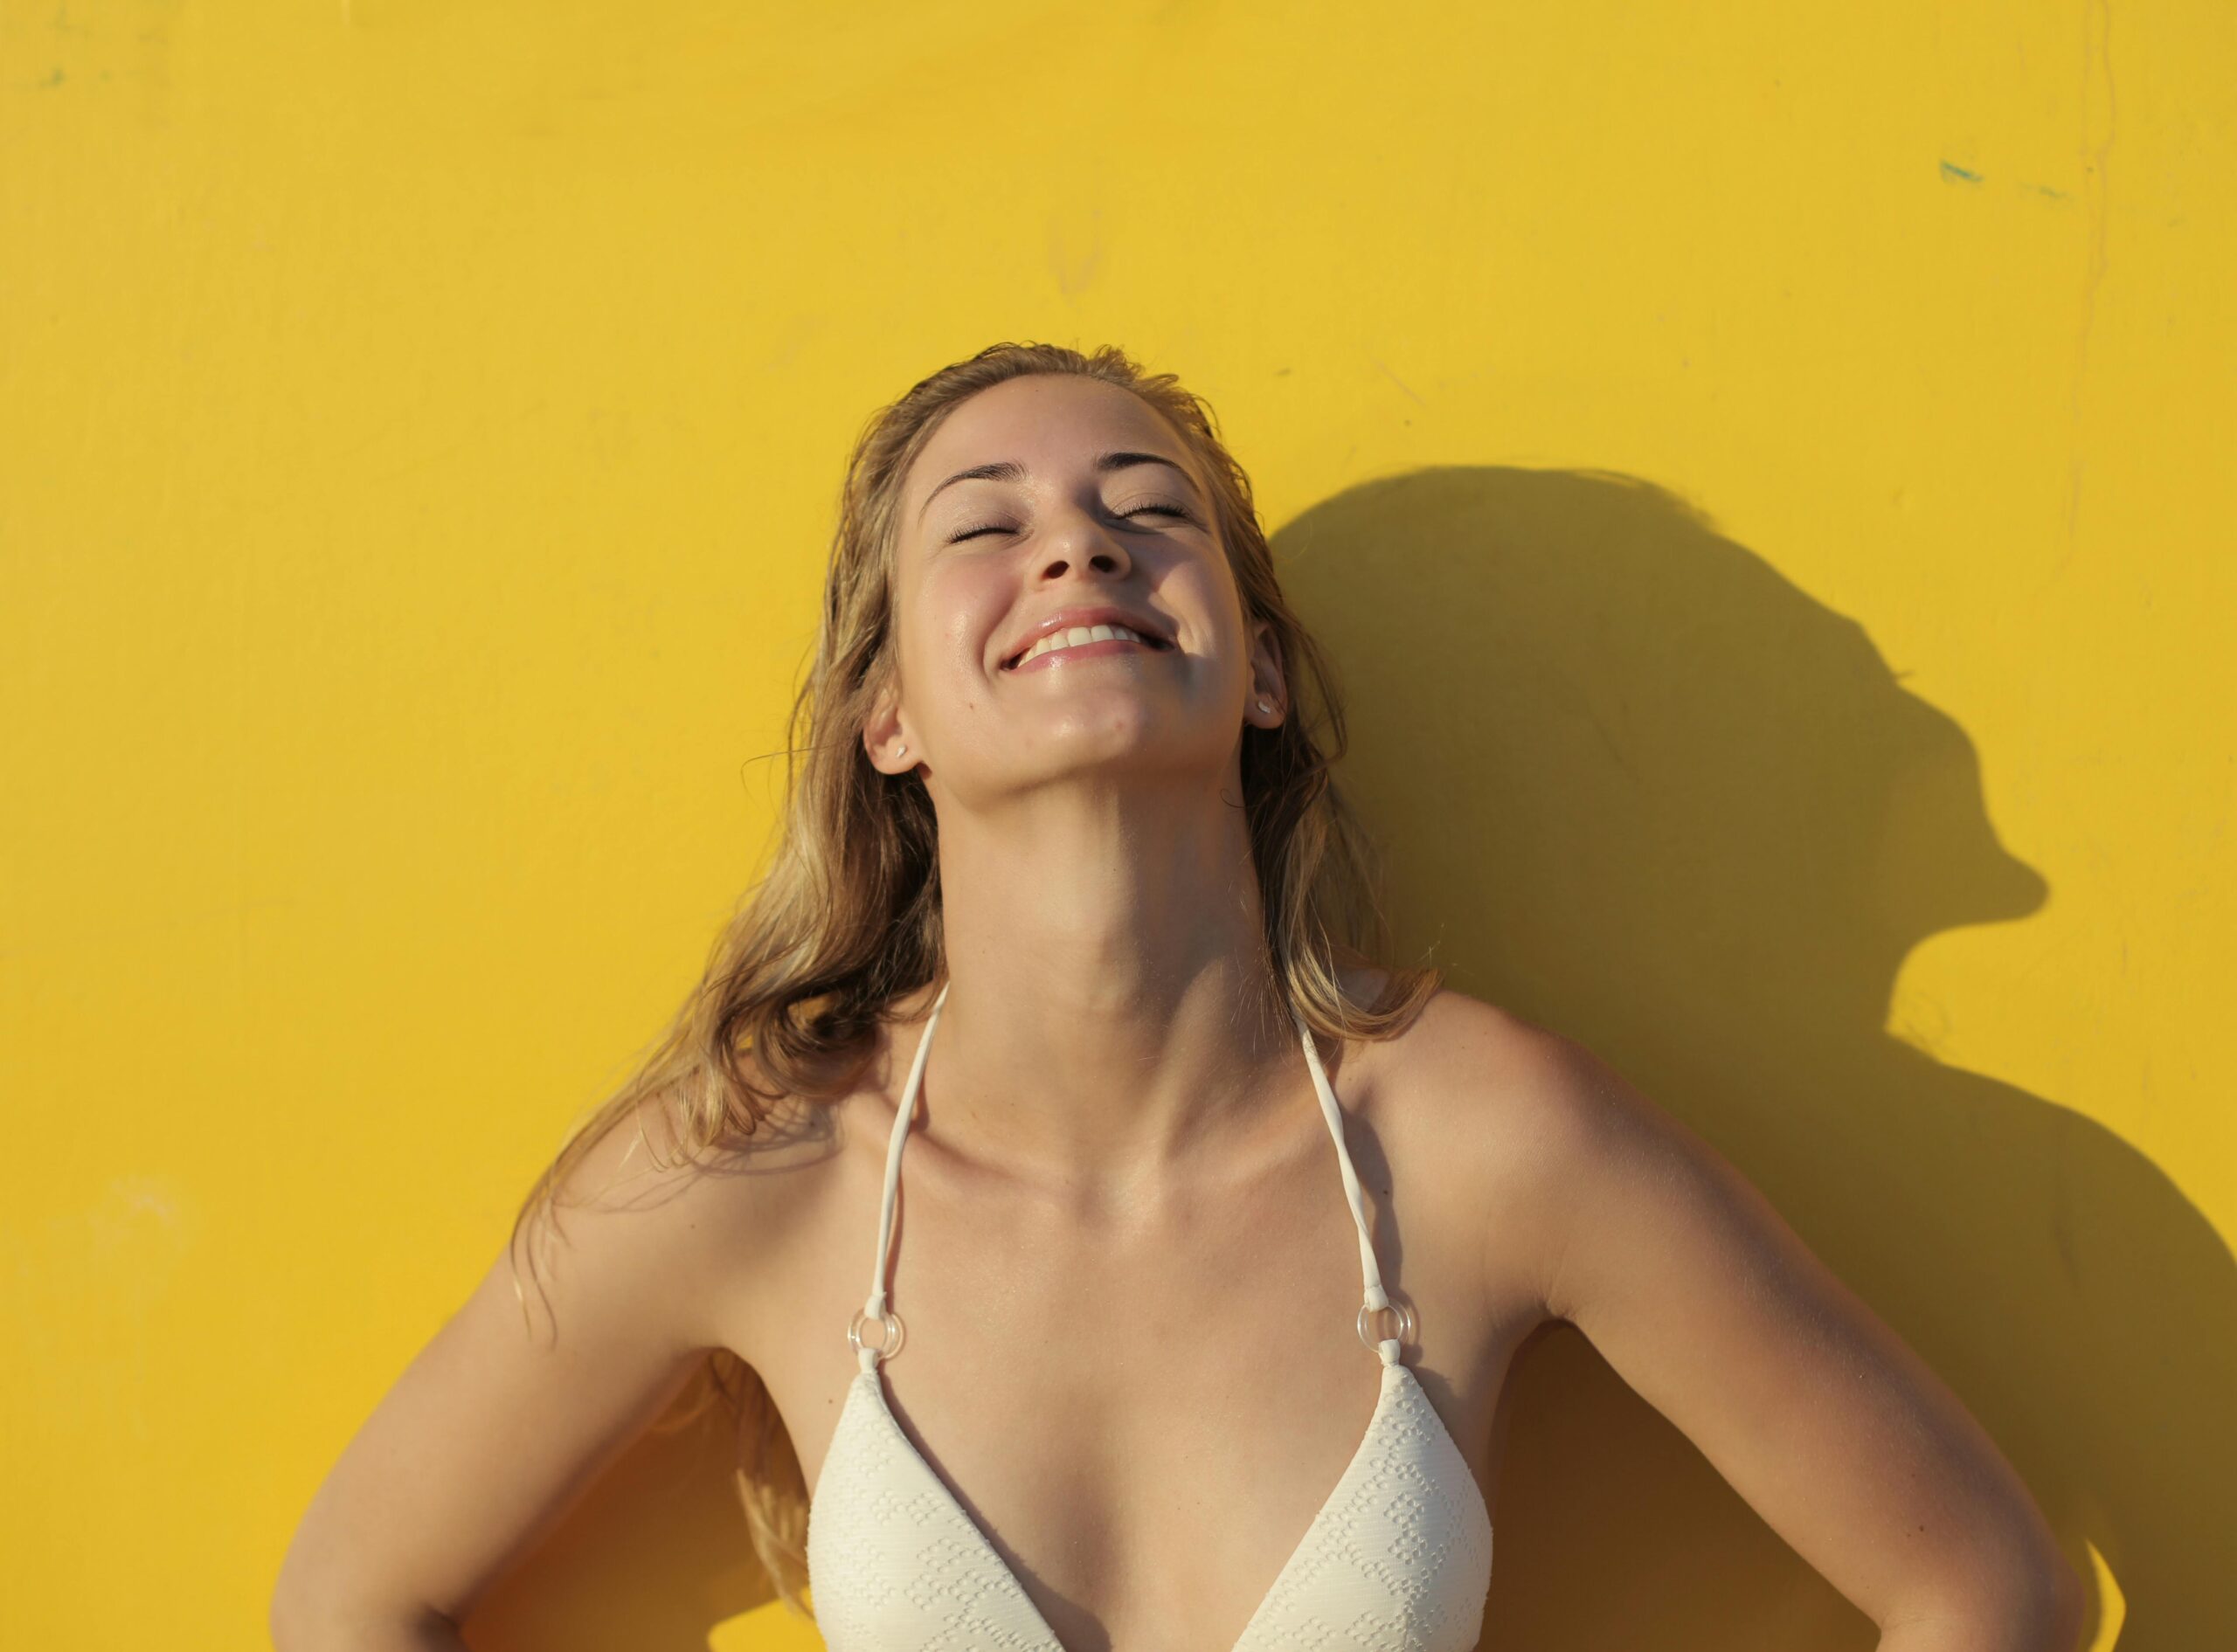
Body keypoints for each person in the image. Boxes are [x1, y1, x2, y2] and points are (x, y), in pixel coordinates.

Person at [271, 342, 2084, 1652]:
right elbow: (351, 1596)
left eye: (1145, 513)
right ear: (883, 713)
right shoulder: (765, 1170)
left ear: (1263, 673)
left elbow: (1982, 1583)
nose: (1077, 549)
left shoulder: (1475, 1139)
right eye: (985, 528)